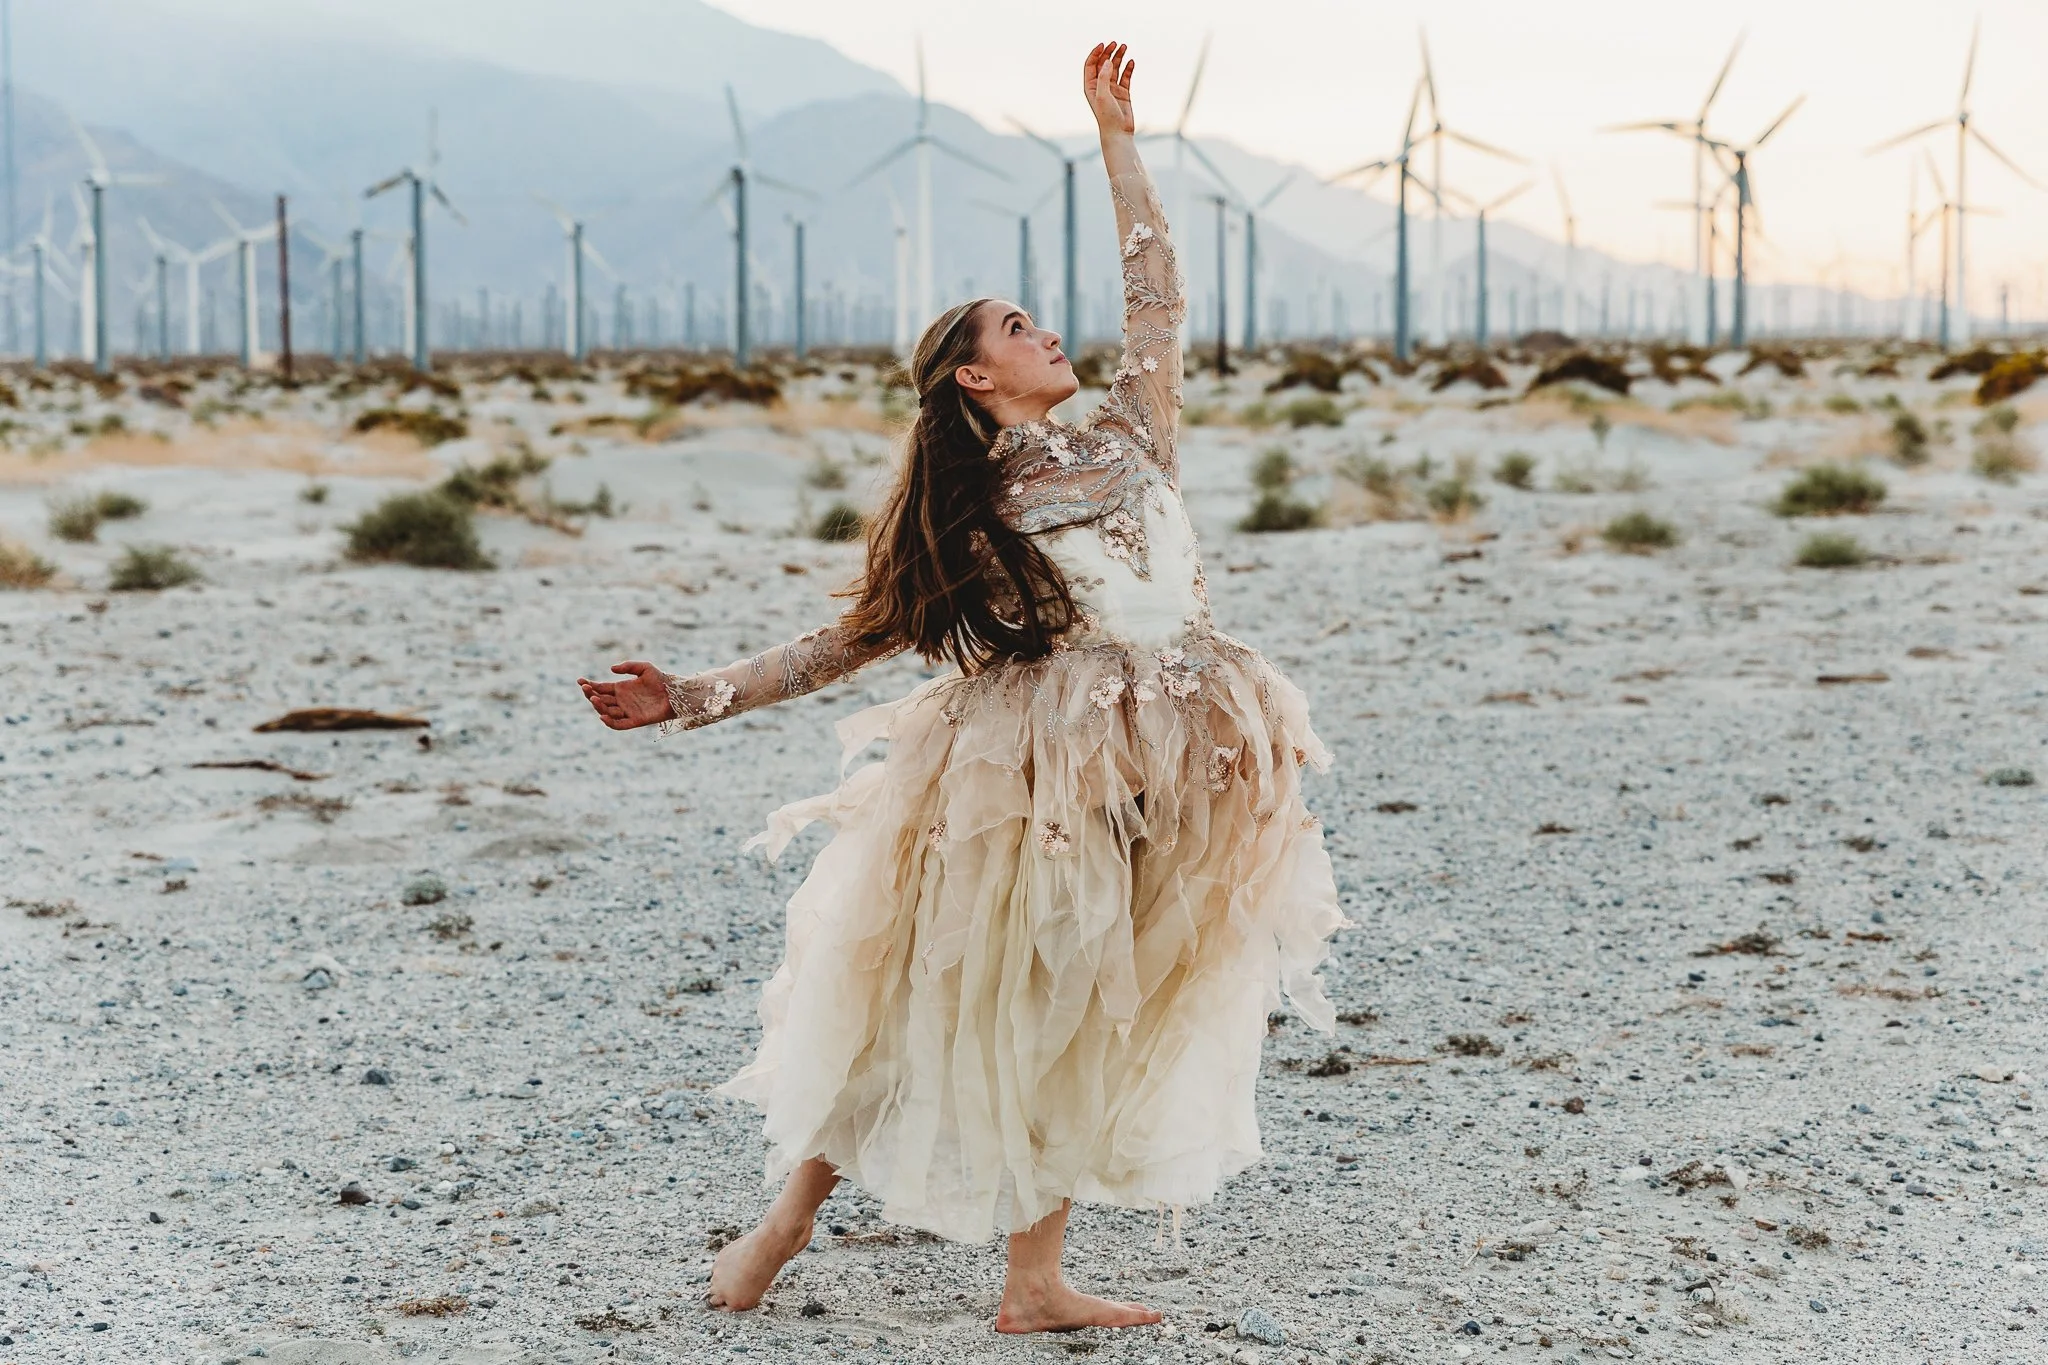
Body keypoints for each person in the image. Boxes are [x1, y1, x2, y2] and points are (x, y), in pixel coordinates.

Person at [578, 40, 1344, 1335]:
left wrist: (1118, 140)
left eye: (1039, 320)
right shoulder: (971, 506)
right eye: (1015, 328)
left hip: (1183, 745)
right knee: (914, 991)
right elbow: (848, 645)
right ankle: (782, 1222)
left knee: (1080, 994)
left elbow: (1158, 299)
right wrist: (691, 697)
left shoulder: (1130, 429)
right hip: (1032, 768)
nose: (1049, 332)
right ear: (976, 380)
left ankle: (1033, 1282)